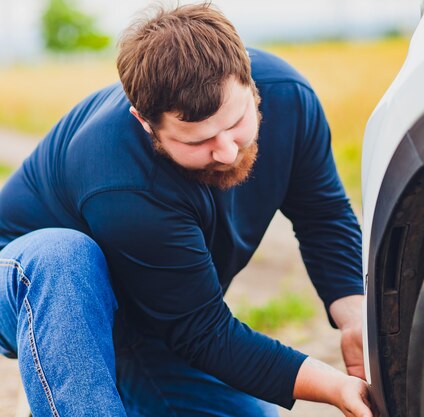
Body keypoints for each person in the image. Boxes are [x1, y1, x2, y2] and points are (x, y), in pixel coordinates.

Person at [0, 3, 372, 417]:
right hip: (28, 284)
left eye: (236, 122)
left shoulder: (290, 98)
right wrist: (335, 386)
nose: (229, 152)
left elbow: (323, 214)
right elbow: (205, 333)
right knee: (64, 255)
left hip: (153, 322)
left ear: (247, 75)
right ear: (145, 121)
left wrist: (355, 315)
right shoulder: (121, 178)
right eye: (198, 142)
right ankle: (58, 378)